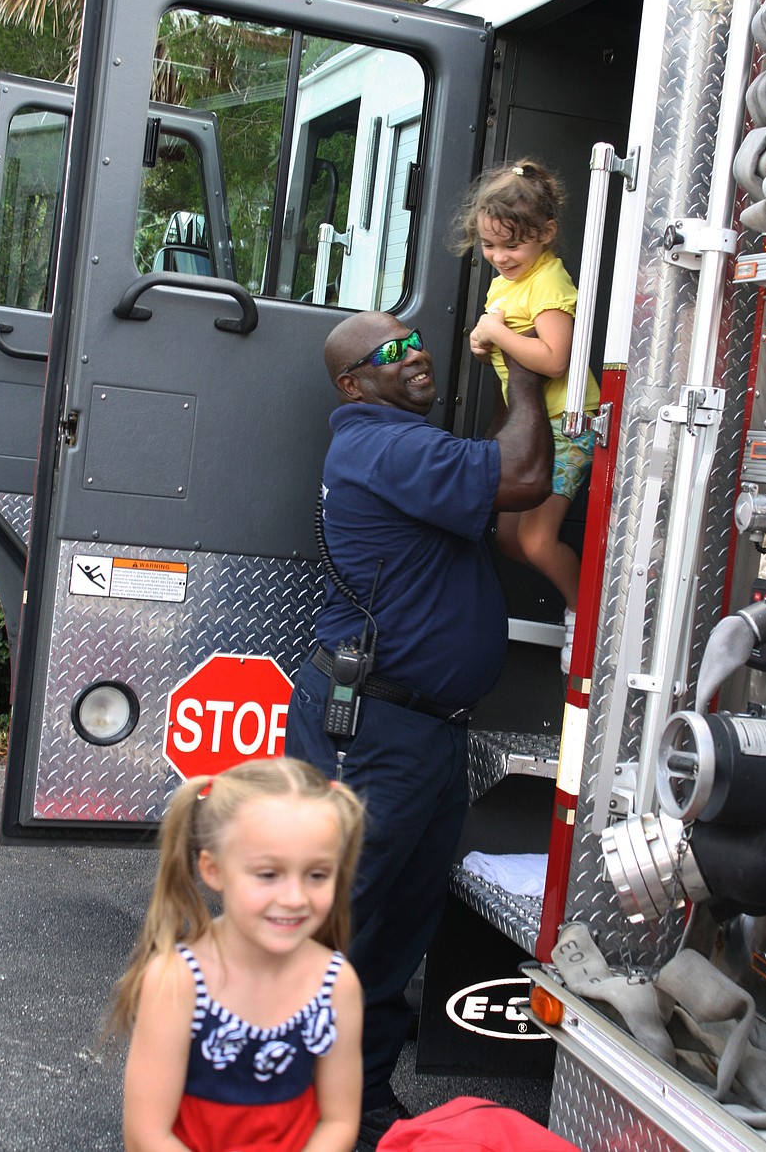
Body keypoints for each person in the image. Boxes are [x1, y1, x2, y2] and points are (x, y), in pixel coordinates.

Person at [285, 310, 553, 1149]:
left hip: (422, 734)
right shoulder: (384, 444)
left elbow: (513, 519)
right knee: (334, 932)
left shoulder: (406, 451)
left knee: (395, 938)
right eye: (386, 352)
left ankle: (359, 1113)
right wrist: (532, 369)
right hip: (373, 733)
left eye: (413, 340)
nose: (413, 355)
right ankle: (283, 1116)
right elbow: (521, 473)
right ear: (351, 382)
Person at [108, 757, 365, 1152]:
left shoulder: (336, 984)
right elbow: (147, 1135)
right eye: (267, 874)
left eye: (317, 875)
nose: (294, 898)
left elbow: (339, 1120)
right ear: (214, 871)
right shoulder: (177, 981)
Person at [458, 158, 600, 675]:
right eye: (490, 245)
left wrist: (494, 333)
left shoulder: (547, 284)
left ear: (546, 234)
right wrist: (484, 339)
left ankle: (585, 617)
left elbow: (555, 359)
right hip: (531, 427)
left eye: (512, 245)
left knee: (537, 540)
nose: (499, 257)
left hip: (567, 425)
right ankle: (580, 606)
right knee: (510, 540)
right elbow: (502, 343)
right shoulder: (506, 283)